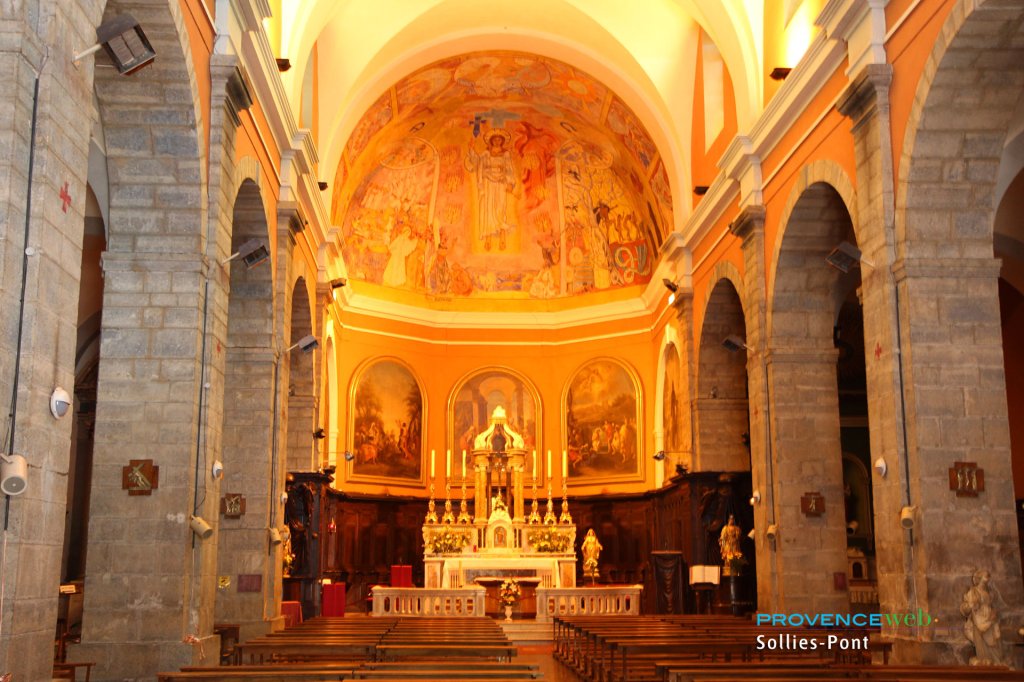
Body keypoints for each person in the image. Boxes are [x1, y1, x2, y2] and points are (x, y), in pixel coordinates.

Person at [464, 129, 516, 251]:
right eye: (495, 139)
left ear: (502, 141)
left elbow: (509, 169)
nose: (497, 141)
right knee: (488, 211)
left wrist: (510, 182)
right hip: (488, 183)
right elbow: (477, 163)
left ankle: (502, 238)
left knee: (500, 210)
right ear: (491, 141)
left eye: (499, 139)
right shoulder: (485, 154)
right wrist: (471, 150)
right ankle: (488, 240)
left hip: (500, 183)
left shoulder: (505, 154)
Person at [960, 569, 1004, 665]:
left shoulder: (987, 591)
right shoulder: (973, 591)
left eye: (988, 576)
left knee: (994, 641)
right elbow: (967, 607)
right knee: (982, 640)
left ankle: (995, 660)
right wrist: (972, 605)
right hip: (979, 619)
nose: (987, 578)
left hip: (989, 617)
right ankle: (984, 659)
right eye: (985, 576)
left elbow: (990, 605)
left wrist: (992, 613)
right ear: (979, 578)